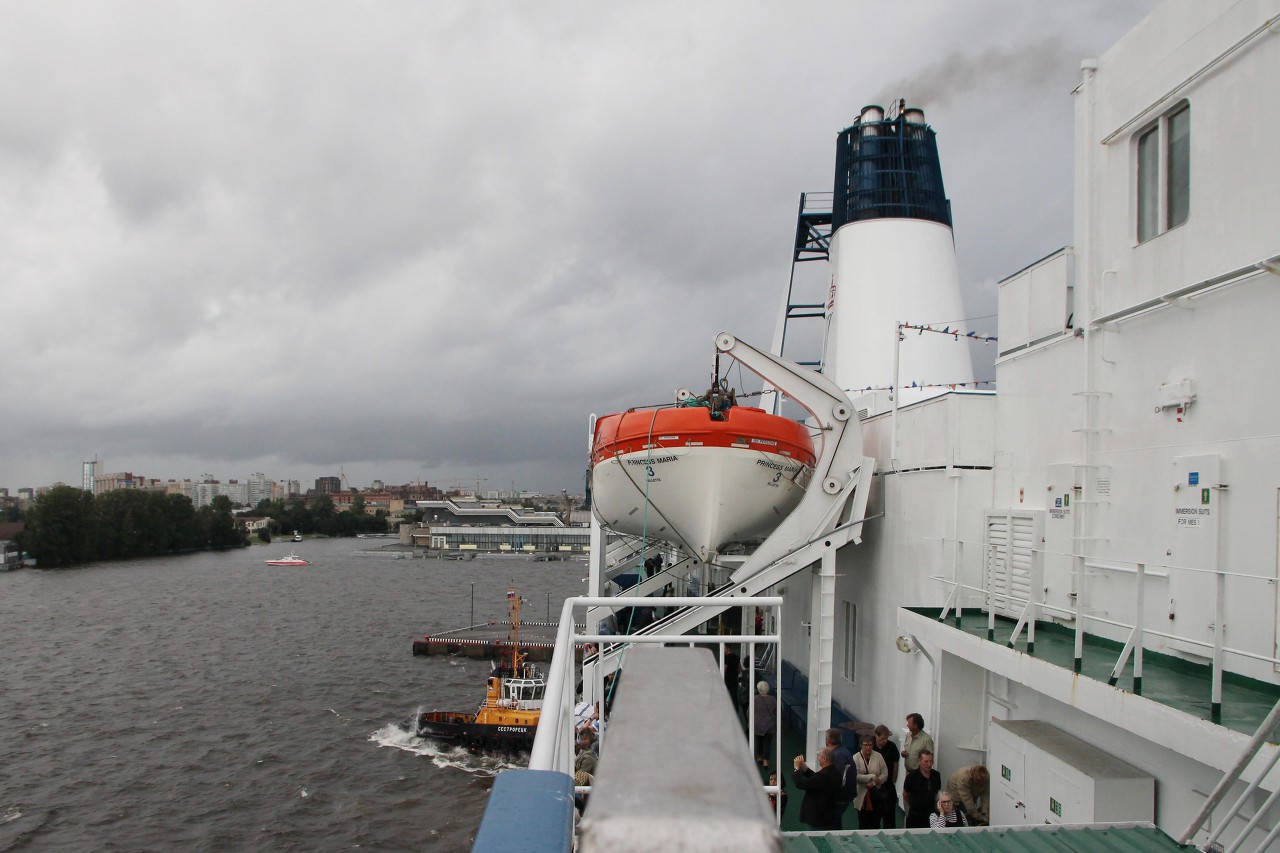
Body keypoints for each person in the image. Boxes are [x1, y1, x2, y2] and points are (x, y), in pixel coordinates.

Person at [793, 747, 843, 831]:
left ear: (824, 759)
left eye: (819, 756)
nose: (818, 758)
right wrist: (805, 767)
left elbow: (800, 784)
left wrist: (796, 769)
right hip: (829, 817)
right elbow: (816, 779)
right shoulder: (835, 773)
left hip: (817, 820)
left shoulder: (822, 776)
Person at [850, 735, 889, 830]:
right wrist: (871, 776)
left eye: (870, 745)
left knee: (876, 823)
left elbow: (885, 773)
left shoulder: (878, 756)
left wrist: (875, 783)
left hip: (877, 795)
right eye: (865, 745)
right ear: (861, 745)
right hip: (862, 796)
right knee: (863, 823)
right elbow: (856, 776)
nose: (868, 748)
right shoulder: (856, 758)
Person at [901, 748, 941, 828]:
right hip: (915, 816)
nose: (929, 764)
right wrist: (913, 804)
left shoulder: (936, 775)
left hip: (931, 816)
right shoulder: (911, 777)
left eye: (931, 761)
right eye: (926, 761)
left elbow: (938, 793)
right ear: (919, 762)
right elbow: (905, 794)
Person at [873, 724, 901, 828]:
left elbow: (895, 764)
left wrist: (894, 779)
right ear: (876, 735)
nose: (885, 741)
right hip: (874, 785)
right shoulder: (871, 746)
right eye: (882, 738)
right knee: (874, 816)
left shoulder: (891, 746)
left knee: (889, 814)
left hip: (888, 784)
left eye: (886, 738)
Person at [753, 682, 776, 767]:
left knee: (759, 741)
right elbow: (775, 710)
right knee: (767, 743)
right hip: (769, 725)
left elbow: (750, 711)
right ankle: (766, 762)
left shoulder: (755, 699)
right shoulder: (772, 699)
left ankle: (759, 757)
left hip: (758, 725)